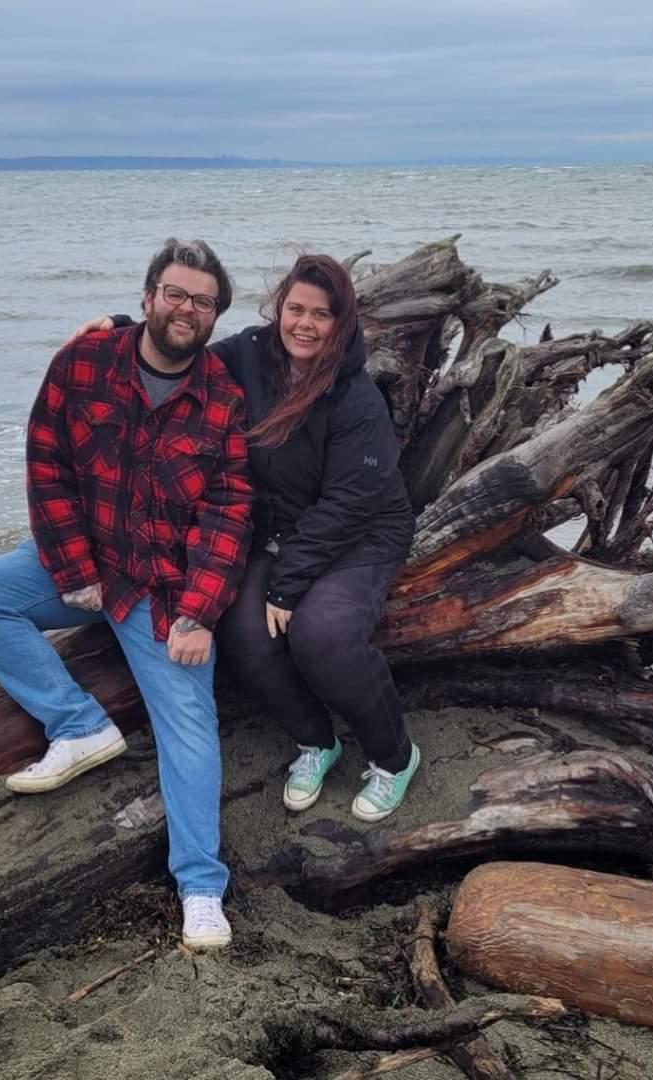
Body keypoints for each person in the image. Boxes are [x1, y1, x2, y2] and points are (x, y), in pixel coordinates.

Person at [0, 238, 253, 950]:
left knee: (188, 724)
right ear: (147, 297)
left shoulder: (221, 399)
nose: (187, 309)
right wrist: (73, 564)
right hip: (84, 566)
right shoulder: (82, 363)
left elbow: (229, 512)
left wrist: (199, 613)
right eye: (175, 294)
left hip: (163, 588)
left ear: (215, 317)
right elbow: (46, 461)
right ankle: (78, 724)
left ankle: (202, 888)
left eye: (203, 302)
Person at [75, 254, 419, 823]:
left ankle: (394, 756)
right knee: (242, 633)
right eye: (295, 309)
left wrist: (285, 586)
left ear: (343, 323)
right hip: (282, 528)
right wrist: (118, 328)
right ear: (278, 309)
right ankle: (317, 742)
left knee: (324, 635)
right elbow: (179, 355)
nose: (304, 325)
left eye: (322, 314)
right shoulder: (252, 357)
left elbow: (350, 502)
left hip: (360, 533)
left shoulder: (356, 398)